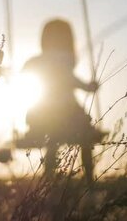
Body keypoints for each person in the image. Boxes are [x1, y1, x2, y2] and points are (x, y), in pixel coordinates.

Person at [20, 19, 104, 183]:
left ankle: (50, 180)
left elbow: (69, 79)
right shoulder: (59, 62)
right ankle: (88, 180)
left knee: (57, 141)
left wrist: (88, 86)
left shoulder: (44, 61)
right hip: (57, 113)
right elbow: (71, 80)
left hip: (47, 113)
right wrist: (89, 87)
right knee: (77, 139)